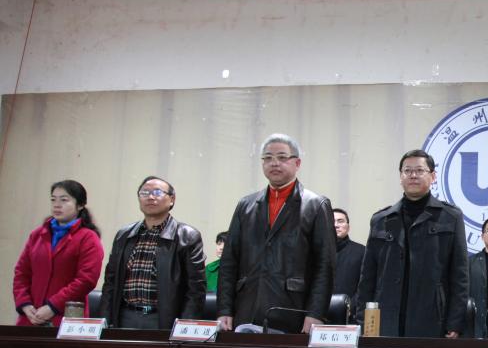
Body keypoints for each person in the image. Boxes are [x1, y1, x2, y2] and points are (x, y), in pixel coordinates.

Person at [217, 134, 335, 334]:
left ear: (297, 163)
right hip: (246, 306)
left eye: (282, 157)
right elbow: (229, 261)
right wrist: (224, 309)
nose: (274, 163)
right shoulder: (246, 205)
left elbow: (325, 265)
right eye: (268, 158)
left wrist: (316, 313)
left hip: (293, 309)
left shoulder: (315, 205)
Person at [355, 149, 468, 338]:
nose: (413, 175)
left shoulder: (450, 217)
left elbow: (460, 275)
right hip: (386, 318)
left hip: (432, 319)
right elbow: (367, 277)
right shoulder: (381, 219)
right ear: (401, 177)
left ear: (433, 176)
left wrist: (455, 322)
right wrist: (363, 320)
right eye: (407, 171)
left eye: (419, 170)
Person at [99, 176, 206, 329]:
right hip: (125, 315)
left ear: (172, 199)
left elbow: (195, 289)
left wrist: (185, 326)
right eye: (144, 193)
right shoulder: (124, 235)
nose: (150, 197)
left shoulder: (187, 236)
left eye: (157, 192)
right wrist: (104, 320)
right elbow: (110, 282)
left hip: (164, 319)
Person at [13, 180, 104, 327]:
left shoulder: (88, 238)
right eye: (53, 199)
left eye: (64, 200)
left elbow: (86, 279)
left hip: (66, 318)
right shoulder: (37, 235)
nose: (57, 205)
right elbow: (21, 273)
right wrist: (25, 304)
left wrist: (52, 306)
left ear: (80, 205)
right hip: (30, 317)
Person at [332, 208, 365, 299]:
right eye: (331, 221)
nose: (336, 225)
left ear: (348, 227)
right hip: (318, 307)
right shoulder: (315, 251)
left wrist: (351, 305)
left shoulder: (362, 251)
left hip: (351, 306)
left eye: (340, 221)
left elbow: (366, 285)